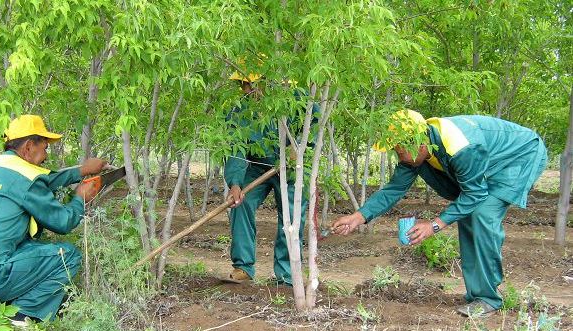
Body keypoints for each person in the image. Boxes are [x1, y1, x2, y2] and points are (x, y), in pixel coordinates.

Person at [332, 110, 547, 316]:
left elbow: (474, 194)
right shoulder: (416, 154)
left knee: (482, 214)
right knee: (468, 214)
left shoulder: (461, 147)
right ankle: (477, 295)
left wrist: (435, 225)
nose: (399, 155)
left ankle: (488, 299)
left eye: (400, 150)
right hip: (490, 165)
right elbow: (394, 189)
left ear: (419, 142)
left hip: (519, 156)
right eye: (395, 150)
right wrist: (358, 217)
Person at [0, 115, 106, 324]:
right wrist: (80, 199)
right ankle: (23, 314)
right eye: (45, 147)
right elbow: (63, 222)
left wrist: (82, 170)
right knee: (68, 256)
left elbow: (44, 179)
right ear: (29, 147)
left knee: (27, 246)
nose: (46, 155)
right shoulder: (25, 177)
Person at [223, 68, 319, 285]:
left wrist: (302, 147)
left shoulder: (297, 98)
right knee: (240, 203)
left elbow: (314, 122)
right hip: (259, 167)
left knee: (291, 216)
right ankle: (243, 267)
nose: (246, 90)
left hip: (292, 169)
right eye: (243, 85)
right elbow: (235, 148)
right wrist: (236, 182)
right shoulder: (238, 110)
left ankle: (286, 274)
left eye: (250, 84)